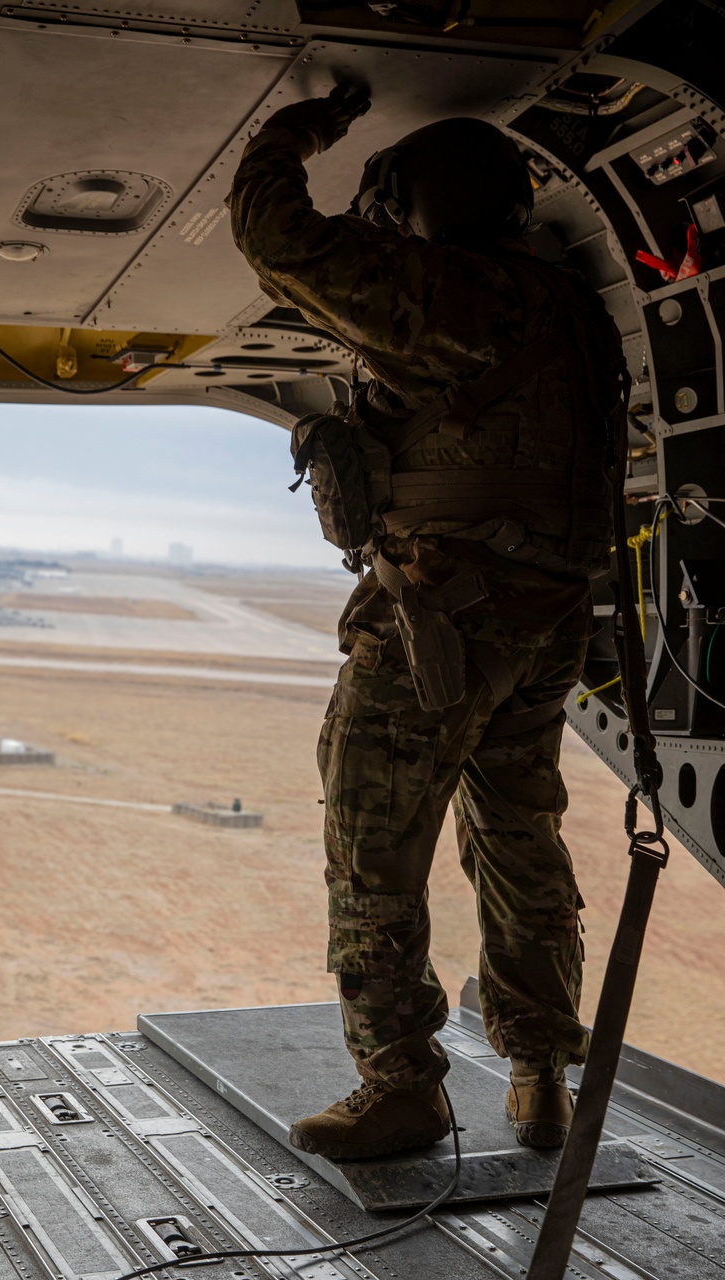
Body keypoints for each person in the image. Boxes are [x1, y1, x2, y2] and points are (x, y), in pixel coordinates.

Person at [228, 85, 626, 1160]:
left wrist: (295, 129)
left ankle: (401, 1083)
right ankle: (539, 1070)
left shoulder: (460, 297)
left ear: (416, 210)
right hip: (542, 618)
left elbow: (274, 237)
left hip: (441, 616)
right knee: (514, 831)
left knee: (370, 844)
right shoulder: (569, 310)